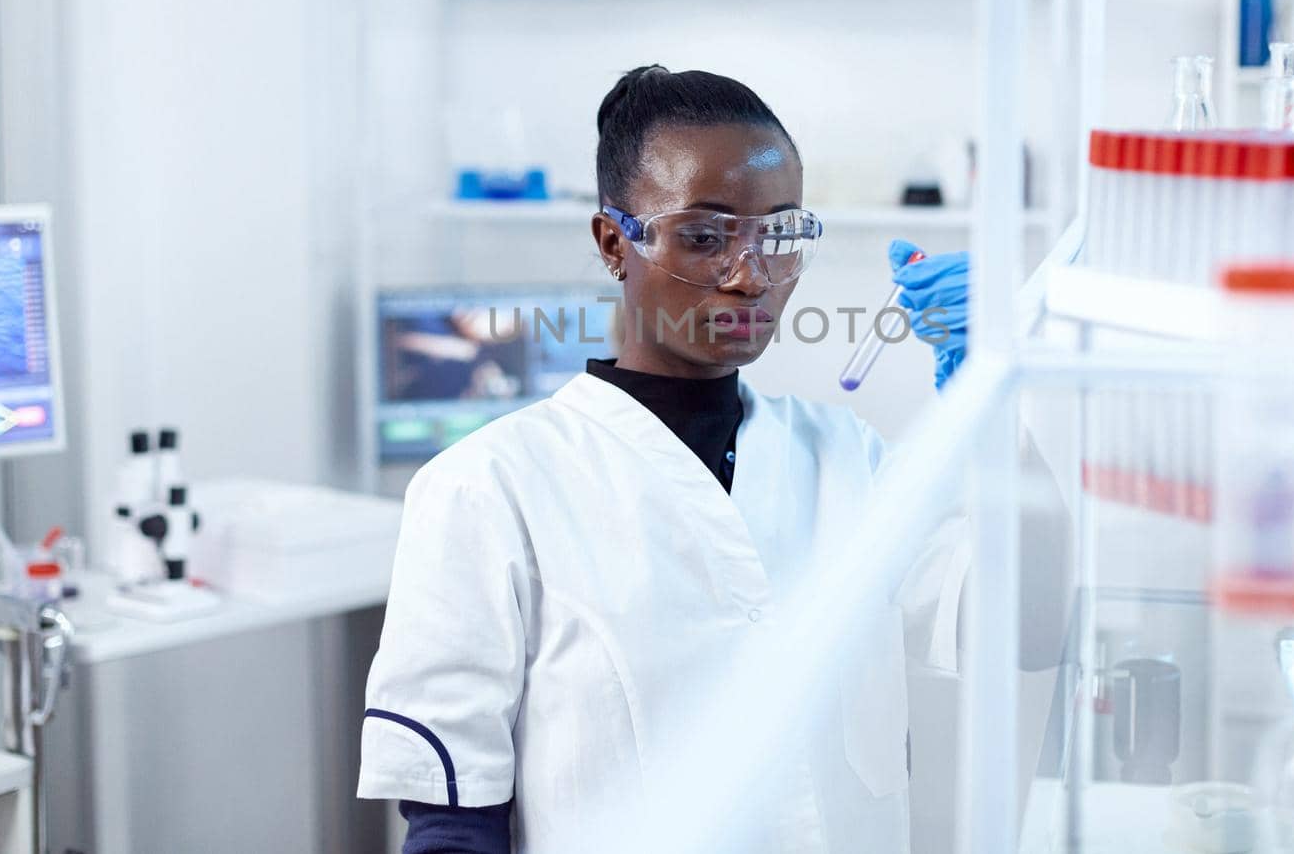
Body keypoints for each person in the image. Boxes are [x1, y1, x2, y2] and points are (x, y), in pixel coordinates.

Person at [357, 65, 970, 853]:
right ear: (615, 242)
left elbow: (1021, 624)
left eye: (779, 234)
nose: (751, 275)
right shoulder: (485, 488)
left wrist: (1006, 393)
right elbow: (452, 822)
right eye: (705, 236)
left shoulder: (848, 456)